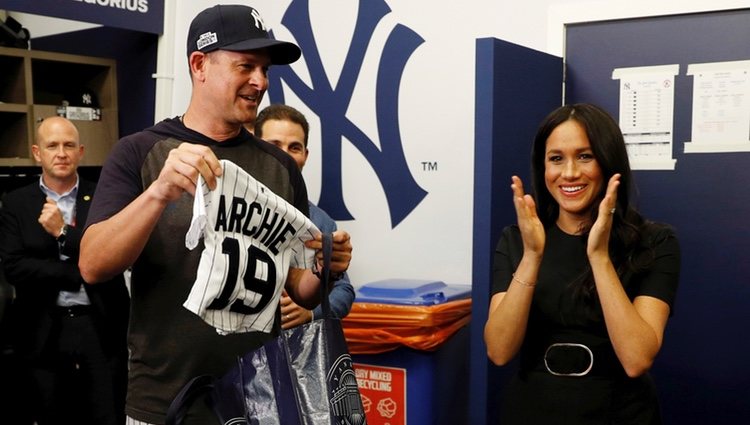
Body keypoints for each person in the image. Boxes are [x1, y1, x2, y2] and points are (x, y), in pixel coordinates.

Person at [77, 5, 353, 425]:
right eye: (246, 65)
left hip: (260, 400)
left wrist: (322, 269)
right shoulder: (140, 153)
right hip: (165, 401)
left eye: (264, 69)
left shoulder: (280, 168)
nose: (260, 82)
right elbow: (93, 265)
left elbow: (297, 285)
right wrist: (159, 193)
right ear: (199, 64)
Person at [483, 103, 680, 424]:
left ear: (608, 161)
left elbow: (637, 358)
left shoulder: (655, 241)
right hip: (533, 408)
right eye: (556, 159)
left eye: (585, 156)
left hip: (621, 411)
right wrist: (532, 256)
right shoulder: (517, 240)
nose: (570, 172)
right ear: (542, 167)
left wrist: (599, 257)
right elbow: (499, 350)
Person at [0, 116, 130, 425]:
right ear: (37, 152)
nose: (61, 153)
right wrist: (80, 272)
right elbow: (15, 268)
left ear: (81, 151)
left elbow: (115, 257)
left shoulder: (106, 196)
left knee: (106, 414)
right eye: (52, 145)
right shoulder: (16, 202)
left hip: (99, 325)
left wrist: (63, 234)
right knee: (50, 416)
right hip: (43, 329)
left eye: (69, 145)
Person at [254, 104, 355, 329]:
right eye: (274, 145)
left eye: (294, 147)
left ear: (305, 156)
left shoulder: (319, 221)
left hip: (293, 352)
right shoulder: (232, 205)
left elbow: (344, 290)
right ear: (255, 147)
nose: (285, 155)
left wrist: (311, 312)